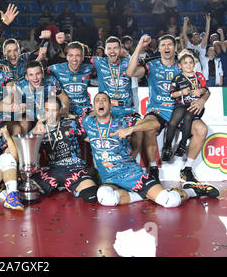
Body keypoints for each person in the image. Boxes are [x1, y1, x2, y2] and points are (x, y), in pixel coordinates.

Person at [80, 92, 219, 208]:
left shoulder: (122, 122)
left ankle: (192, 191)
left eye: (104, 100)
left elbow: (154, 124)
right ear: (94, 106)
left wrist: (132, 128)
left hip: (132, 174)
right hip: (110, 179)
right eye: (97, 100)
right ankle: (142, 195)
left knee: (170, 202)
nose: (100, 103)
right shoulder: (88, 123)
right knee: (104, 198)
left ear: (110, 106)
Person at [127, 34, 211, 183]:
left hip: (182, 109)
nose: (167, 48)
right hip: (158, 110)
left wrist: (202, 100)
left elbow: (205, 89)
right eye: (163, 45)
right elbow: (130, 72)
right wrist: (139, 46)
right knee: (147, 126)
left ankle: (187, 170)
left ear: (175, 47)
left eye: (170, 45)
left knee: (201, 129)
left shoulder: (184, 64)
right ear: (158, 48)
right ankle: (153, 169)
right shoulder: (151, 65)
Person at [30, 96, 98, 202]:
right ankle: (58, 187)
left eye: (54, 110)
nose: (51, 114)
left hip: (75, 167)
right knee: (28, 192)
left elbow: (90, 139)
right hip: (52, 170)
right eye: (48, 110)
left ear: (60, 110)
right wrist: (35, 133)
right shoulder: (39, 128)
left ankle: (72, 187)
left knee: (92, 195)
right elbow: (32, 152)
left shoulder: (71, 123)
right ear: (44, 110)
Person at [162, 52, 208, 162]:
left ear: (194, 64)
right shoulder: (177, 78)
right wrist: (181, 92)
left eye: (191, 62)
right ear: (180, 66)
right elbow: (172, 94)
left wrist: (201, 90)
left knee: (188, 118)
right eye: (185, 63)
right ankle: (167, 147)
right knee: (173, 122)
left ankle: (182, 145)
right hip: (181, 104)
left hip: (194, 104)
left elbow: (206, 89)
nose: (188, 65)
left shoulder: (199, 76)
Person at [15, 61, 70, 133]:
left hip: (48, 113)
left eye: (38, 74)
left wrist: (65, 109)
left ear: (43, 74)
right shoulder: (20, 86)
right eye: (31, 75)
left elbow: (64, 97)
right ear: (26, 77)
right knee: (24, 123)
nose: (35, 78)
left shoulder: (51, 81)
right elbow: (15, 107)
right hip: (30, 115)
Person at [46, 41, 96, 116]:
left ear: (82, 58)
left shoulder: (89, 68)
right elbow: (36, 72)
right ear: (67, 57)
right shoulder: (55, 69)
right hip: (65, 109)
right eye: (71, 55)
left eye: (78, 55)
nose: (74, 59)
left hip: (85, 109)